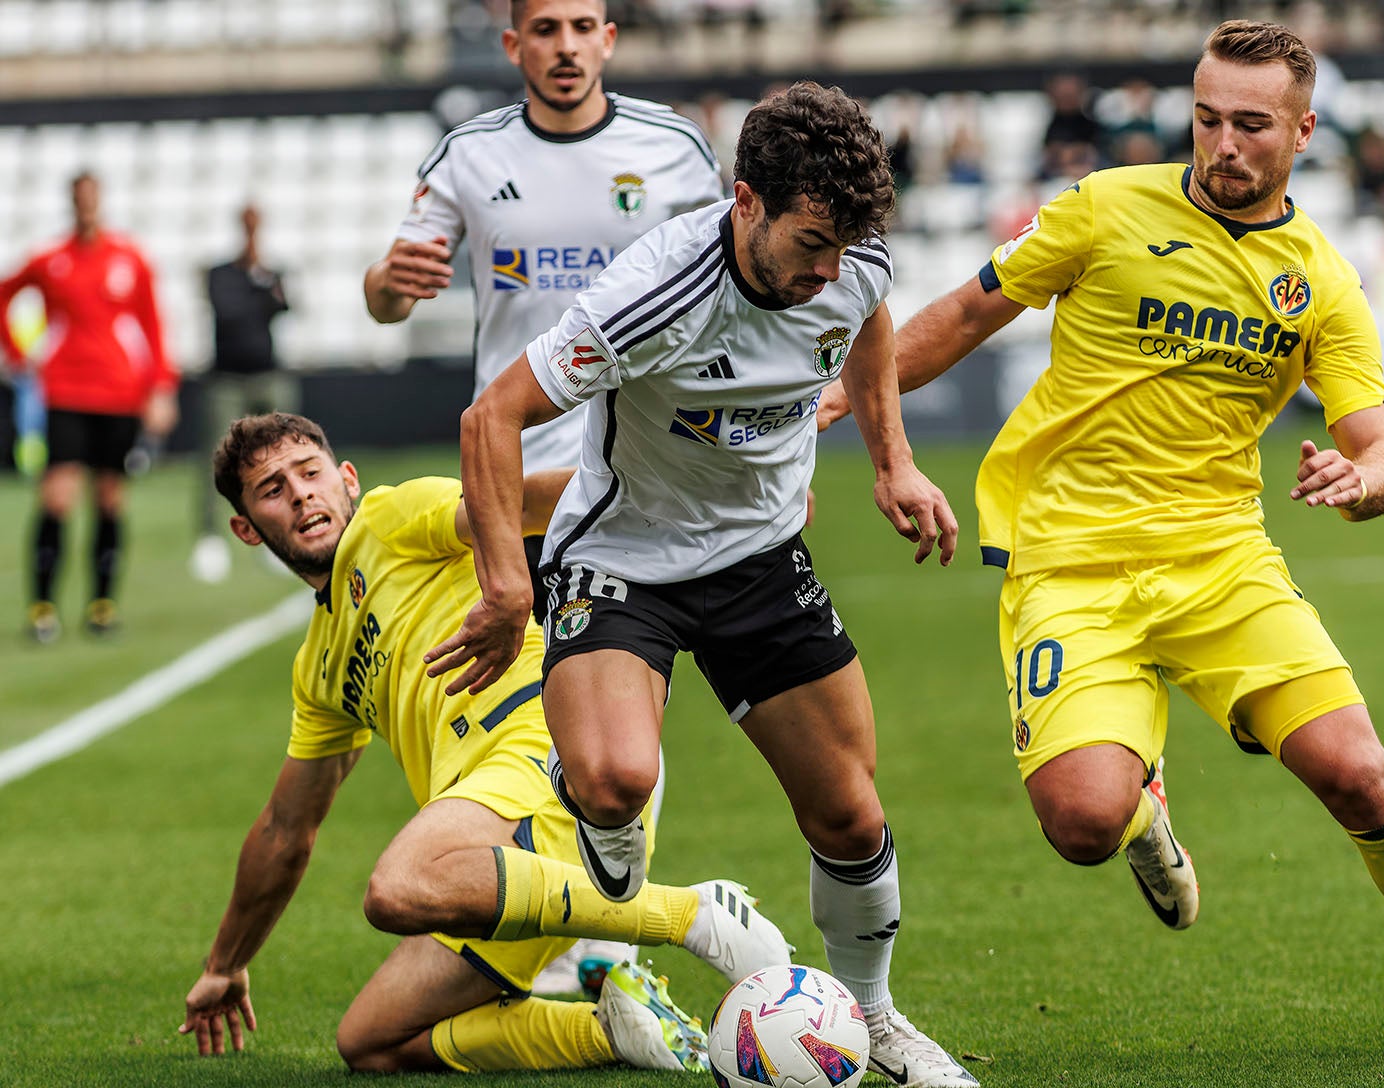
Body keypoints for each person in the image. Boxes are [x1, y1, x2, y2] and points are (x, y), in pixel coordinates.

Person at [819, 20, 1384, 1061]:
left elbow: (1382, 445)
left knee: (1362, 775)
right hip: (1071, 561)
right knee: (1079, 821)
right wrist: (855, 407)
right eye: (1208, 117)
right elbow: (966, 313)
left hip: (1222, 564)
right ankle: (1139, 807)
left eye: (1252, 124)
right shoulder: (1105, 208)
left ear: (1303, 131)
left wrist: (1364, 479)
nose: (1224, 142)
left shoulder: (1320, 281)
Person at [429, 81, 979, 1088]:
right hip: (624, 556)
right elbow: (489, 418)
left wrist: (893, 460)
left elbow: (871, 325)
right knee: (614, 780)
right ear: (745, 202)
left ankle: (875, 1014)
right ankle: (597, 813)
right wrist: (508, 586)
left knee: (852, 814)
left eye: (844, 244)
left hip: (761, 558)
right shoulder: (651, 295)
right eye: (810, 240)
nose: (828, 268)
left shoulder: (851, 259)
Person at [181, 411, 792, 1074]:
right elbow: (284, 829)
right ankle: (614, 1031)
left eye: (309, 473)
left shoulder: (391, 517)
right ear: (245, 528)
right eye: (272, 489)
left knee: (399, 886)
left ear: (347, 481)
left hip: (547, 755)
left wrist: (689, 492)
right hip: (499, 864)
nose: (300, 493)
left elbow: (517, 502)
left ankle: (690, 915)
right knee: (371, 1043)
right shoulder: (319, 668)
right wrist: (225, 965)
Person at [364, 0, 723, 991]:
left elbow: (729, 290)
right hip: (515, 479)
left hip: (638, 468)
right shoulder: (469, 155)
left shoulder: (674, 151)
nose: (566, 47)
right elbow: (389, 298)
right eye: (546, 29)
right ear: (513, 42)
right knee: (553, 708)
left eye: (583, 26)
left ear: (609, 39)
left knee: (602, 707)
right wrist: (389, 281)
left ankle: (589, 915)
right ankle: (589, 914)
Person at [0, 171, 179, 642]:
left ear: (100, 201)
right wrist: (18, 355)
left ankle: (102, 604)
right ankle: (43, 607)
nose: (86, 207)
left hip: (119, 394)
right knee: (57, 495)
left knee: (109, 498)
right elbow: (5, 293)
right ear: (71, 202)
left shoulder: (129, 260)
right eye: (79, 199)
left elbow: (153, 325)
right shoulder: (50, 260)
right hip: (64, 393)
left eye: (91, 198)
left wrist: (161, 387)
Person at [191, 204, 295, 583]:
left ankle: (277, 537)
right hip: (226, 379)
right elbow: (230, 311)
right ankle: (210, 537)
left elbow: (284, 305)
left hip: (268, 375)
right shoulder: (220, 273)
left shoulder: (269, 271)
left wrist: (259, 286)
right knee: (215, 459)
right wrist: (259, 291)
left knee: (281, 458)